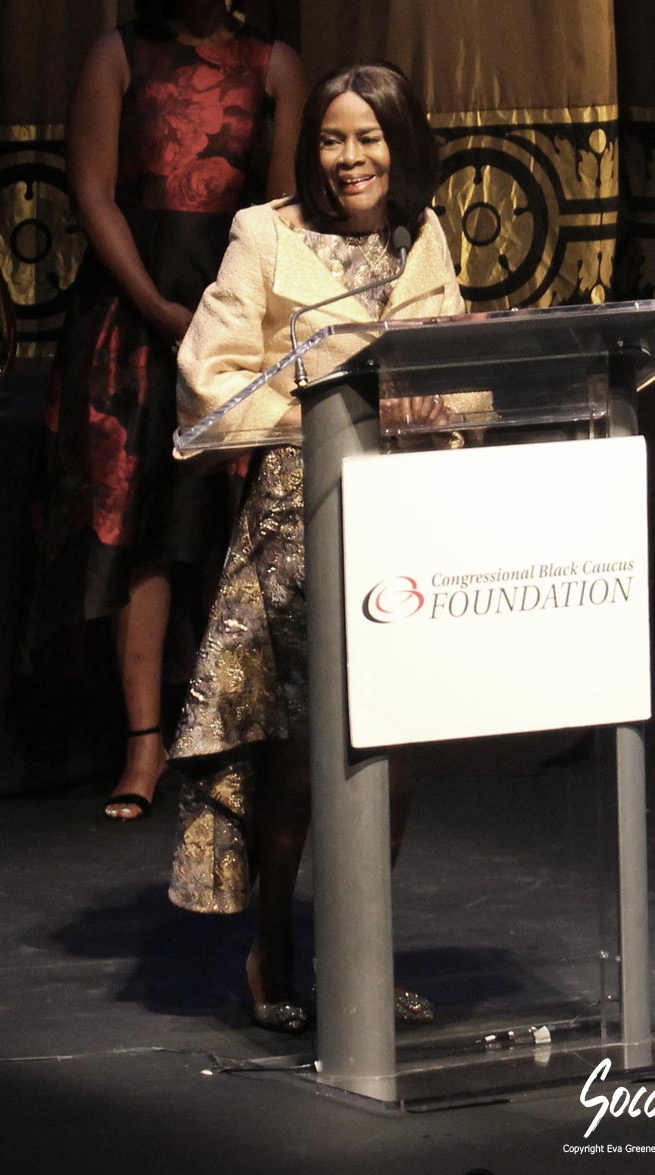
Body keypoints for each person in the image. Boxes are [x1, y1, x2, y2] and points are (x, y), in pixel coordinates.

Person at [168, 62, 473, 1033]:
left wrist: (444, 411)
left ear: (401, 144)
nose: (352, 158)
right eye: (335, 139)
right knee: (302, 758)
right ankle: (274, 940)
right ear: (314, 147)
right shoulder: (265, 233)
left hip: (401, 514)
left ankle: (362, 950)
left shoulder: (421, 235)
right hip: (299, 521)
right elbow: (207, 385)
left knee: (394, 752)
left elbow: (459, 378)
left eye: (370, 137)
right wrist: (320, 411)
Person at [34, 0, 307, 820]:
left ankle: (235, 737)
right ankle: (144, 741)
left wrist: (232, 314)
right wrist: (155, 305)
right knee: (138, 530)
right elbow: (92, 192)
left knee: (233, 526)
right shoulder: (117, 55)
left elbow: (280, 208)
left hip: (234, 319)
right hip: (131, 317)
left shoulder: (274, 65)